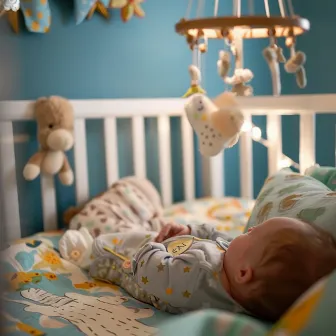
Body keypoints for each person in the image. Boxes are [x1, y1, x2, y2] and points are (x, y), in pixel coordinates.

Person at [86, 216, 336, 322]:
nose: (248, 230)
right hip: (178, 246)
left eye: (253, 233)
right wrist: (190, 231)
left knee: (106, 251)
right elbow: (220, 238)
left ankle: (86, 249)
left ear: (244, 274)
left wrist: (153, 247)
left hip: (141, 267)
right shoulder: (236, 271)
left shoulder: (197, 279)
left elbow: (152, 271)